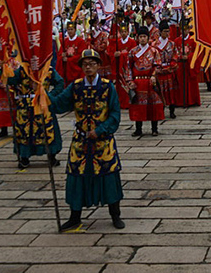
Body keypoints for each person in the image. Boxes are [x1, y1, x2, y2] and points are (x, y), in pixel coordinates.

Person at [49, 49, 125, 232]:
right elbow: (59, 104)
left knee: (109, 175)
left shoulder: (108, 87)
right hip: (81, 141)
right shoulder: (75, 87)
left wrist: (100, 130)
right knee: (76, 176)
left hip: (103, 142)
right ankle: (75, 217)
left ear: (98, 66)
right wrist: (44, 97)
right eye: (85, 64)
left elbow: (115, 114)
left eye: (92, 63)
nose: (88, 67)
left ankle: (115, 214)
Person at [7, 64, 65, 170]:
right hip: (25, 107)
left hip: (43, 105)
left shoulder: (48, 69)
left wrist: (49, 95)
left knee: (47, 131)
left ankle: (51, 156)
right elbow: (10, 80)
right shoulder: (22, 70)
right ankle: (24, 157)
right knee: (24, 132)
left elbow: (60, 82)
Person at [125, 26, 164, 137]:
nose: (142, 39)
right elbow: (128, 67)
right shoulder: (133, 52)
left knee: (153, 106)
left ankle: (154, 128)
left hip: (150, 82)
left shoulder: (153, 51)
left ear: (148, 38)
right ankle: (138, 129)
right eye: (140, 37)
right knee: (138, 106)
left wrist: (153, 75)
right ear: (137, 38)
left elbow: (158, 65)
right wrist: (129, 81)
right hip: (137, 83)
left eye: (144, 37)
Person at [154, 21, 181, 119]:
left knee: (171, 92)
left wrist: (171, 66)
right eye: (165, 31)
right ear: (160, 32)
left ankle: (172, 110)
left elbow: (175, 56)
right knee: (160, 92)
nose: (167, 33)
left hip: (169, 70)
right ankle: (160, 110)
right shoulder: (154, 44)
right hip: (159, 71)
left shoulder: (172, 44)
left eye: (168, 31)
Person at [174, 19, 201, 108]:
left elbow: (197, 53)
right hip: (180, 65)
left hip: (190, 66)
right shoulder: (177, 41)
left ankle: (192, 100)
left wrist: (189, 57)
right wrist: (179, 57)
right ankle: (181, 101)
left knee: (190, 83)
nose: (184, 31)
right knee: (180, 83)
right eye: (182, 29)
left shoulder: (193, 40)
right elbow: (174, 53)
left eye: (185, 29)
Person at [108, 22, 136, 111]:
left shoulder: (132, 42)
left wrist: (123, 54)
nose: (123, 33)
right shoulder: (118, 42)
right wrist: (115, 55)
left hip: (128, 67)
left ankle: (129, 101)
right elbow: (111, 53)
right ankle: (121, 102)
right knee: (120, 86)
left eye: (125, 31)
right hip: (119, 67)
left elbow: (134, 53)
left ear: (128, 32)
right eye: (122, 31)